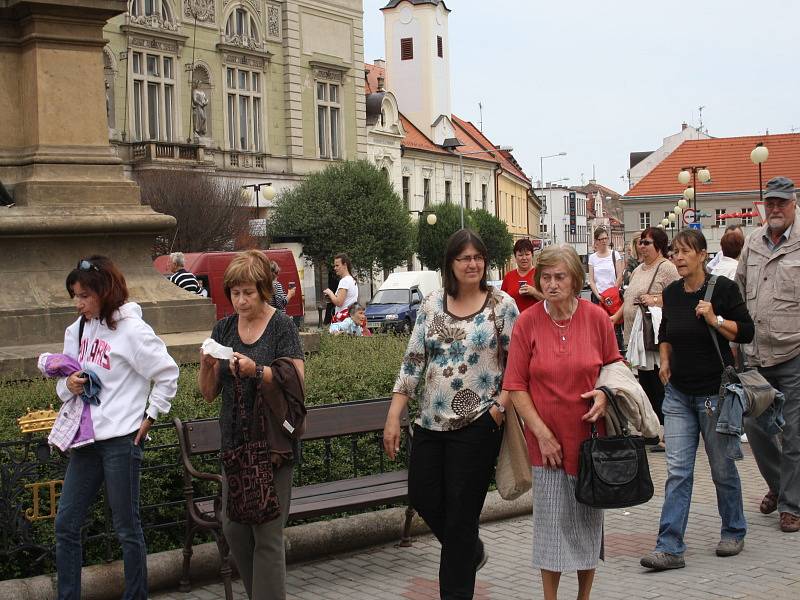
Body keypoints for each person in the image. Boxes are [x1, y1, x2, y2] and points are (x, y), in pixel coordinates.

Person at [383, 229, 518, 600]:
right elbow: (412, 362)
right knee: (423, 495)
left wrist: (500, 407)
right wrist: (395, 415)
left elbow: (520, 364)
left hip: (478, 424)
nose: (472, 264)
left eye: (478, 257)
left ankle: (457, 584)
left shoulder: (501, 306)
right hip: (430, 420)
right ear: (451, 264)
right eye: (464, 258)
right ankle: (470, 551)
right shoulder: (431, 305)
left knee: (461, 517)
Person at [54, 256, 179, 600]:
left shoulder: (133, 331)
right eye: (75, 296)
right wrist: (70, 386)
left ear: (105, 292)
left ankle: (135, 596)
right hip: (86, 440)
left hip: (121, 441)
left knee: (126, 527)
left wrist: (151, 415)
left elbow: (167, 373)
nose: (78, 304)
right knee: (66, 524)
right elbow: (62, 387)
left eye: (84, 296)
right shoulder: (76, 330)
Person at [503, 244, 621, 600]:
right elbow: (515, 385)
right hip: (547, 444)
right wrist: (541, 433)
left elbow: (614, 366)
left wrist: (604, 394)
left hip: (590, 442)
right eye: (546, 277)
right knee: (551, 526)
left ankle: (583, 596)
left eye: (560, 277)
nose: (552, 284)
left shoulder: (596, 318)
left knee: (587, 525)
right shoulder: (528, 322)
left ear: (575, 281)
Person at [639, 230, 754, 571]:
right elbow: (665, 331)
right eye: (675, 251)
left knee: (721, 467)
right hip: (678, 395)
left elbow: (746, 332)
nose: (678, 257)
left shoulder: (723, 290)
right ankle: (670, 546)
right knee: (677, 471)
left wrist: (715, 319)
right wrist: (664, 359)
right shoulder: (672, 293)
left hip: (713, 395)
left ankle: (733, 529)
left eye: (686, 251)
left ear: (703, 255)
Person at [198, 250, 305, 599]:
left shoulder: (281, 326)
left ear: (262, 290)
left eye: (248, 292)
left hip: (272, 447)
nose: (241, 300)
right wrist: (206, 365)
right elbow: (210, 393)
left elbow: (297, 381)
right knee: (235, 529)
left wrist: (257, 371)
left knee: (268, 534)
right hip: (235, 448)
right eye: (234, 293)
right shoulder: (225, 327)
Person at [735, 176, 800, 533]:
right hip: (756, 354)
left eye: (781, 203)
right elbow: (740, 292)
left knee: (794, 434)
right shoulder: (753, 242)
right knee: (755, 427)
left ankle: (792, 505)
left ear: (793, 203)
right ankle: (779, 485)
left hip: (794, 351)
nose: (775, 209)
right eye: (770, 203)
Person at [612, 227, 679, 449]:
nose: (641, 246)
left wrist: (655, 299)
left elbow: (678, 296)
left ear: (659, 245)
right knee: (646, 386)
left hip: (655, 337)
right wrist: (614, 318)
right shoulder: (638, 269)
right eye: (640, 242)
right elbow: (629, 300)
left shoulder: (667, 268)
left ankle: (668, 433)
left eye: (646, 242)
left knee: (660, 386)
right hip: (636, 337)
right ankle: (652, 431)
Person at [501, 238, 543, 312]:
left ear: (532, 255)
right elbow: (501, 301)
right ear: (515, 256)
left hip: (535, 321)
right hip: (514, 322)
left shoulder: (540, 274)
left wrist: (534, 292)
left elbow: (550, 300)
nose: (524, 258)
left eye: (527, 254)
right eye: (520, 255)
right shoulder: (508, 276)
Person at [588, 227, 624, 305]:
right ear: (596, 241)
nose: (604, 241)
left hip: (613, 295)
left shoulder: (615, 254)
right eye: (601, 239)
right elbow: (591, 280)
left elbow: (620, 276)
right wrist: (598, 296)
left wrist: (613, 293)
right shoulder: (592, 258)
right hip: (599, 296)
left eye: (606, 238)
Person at [323, 253, 358, 323]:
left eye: (337, 265)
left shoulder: (344, 281)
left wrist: (330, 293)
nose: (335, 268)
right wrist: (332, 297)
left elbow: (339, 302)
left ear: (345, 265)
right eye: (334, 266)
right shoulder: (351, 279)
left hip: (343, 321)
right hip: (350, 318)